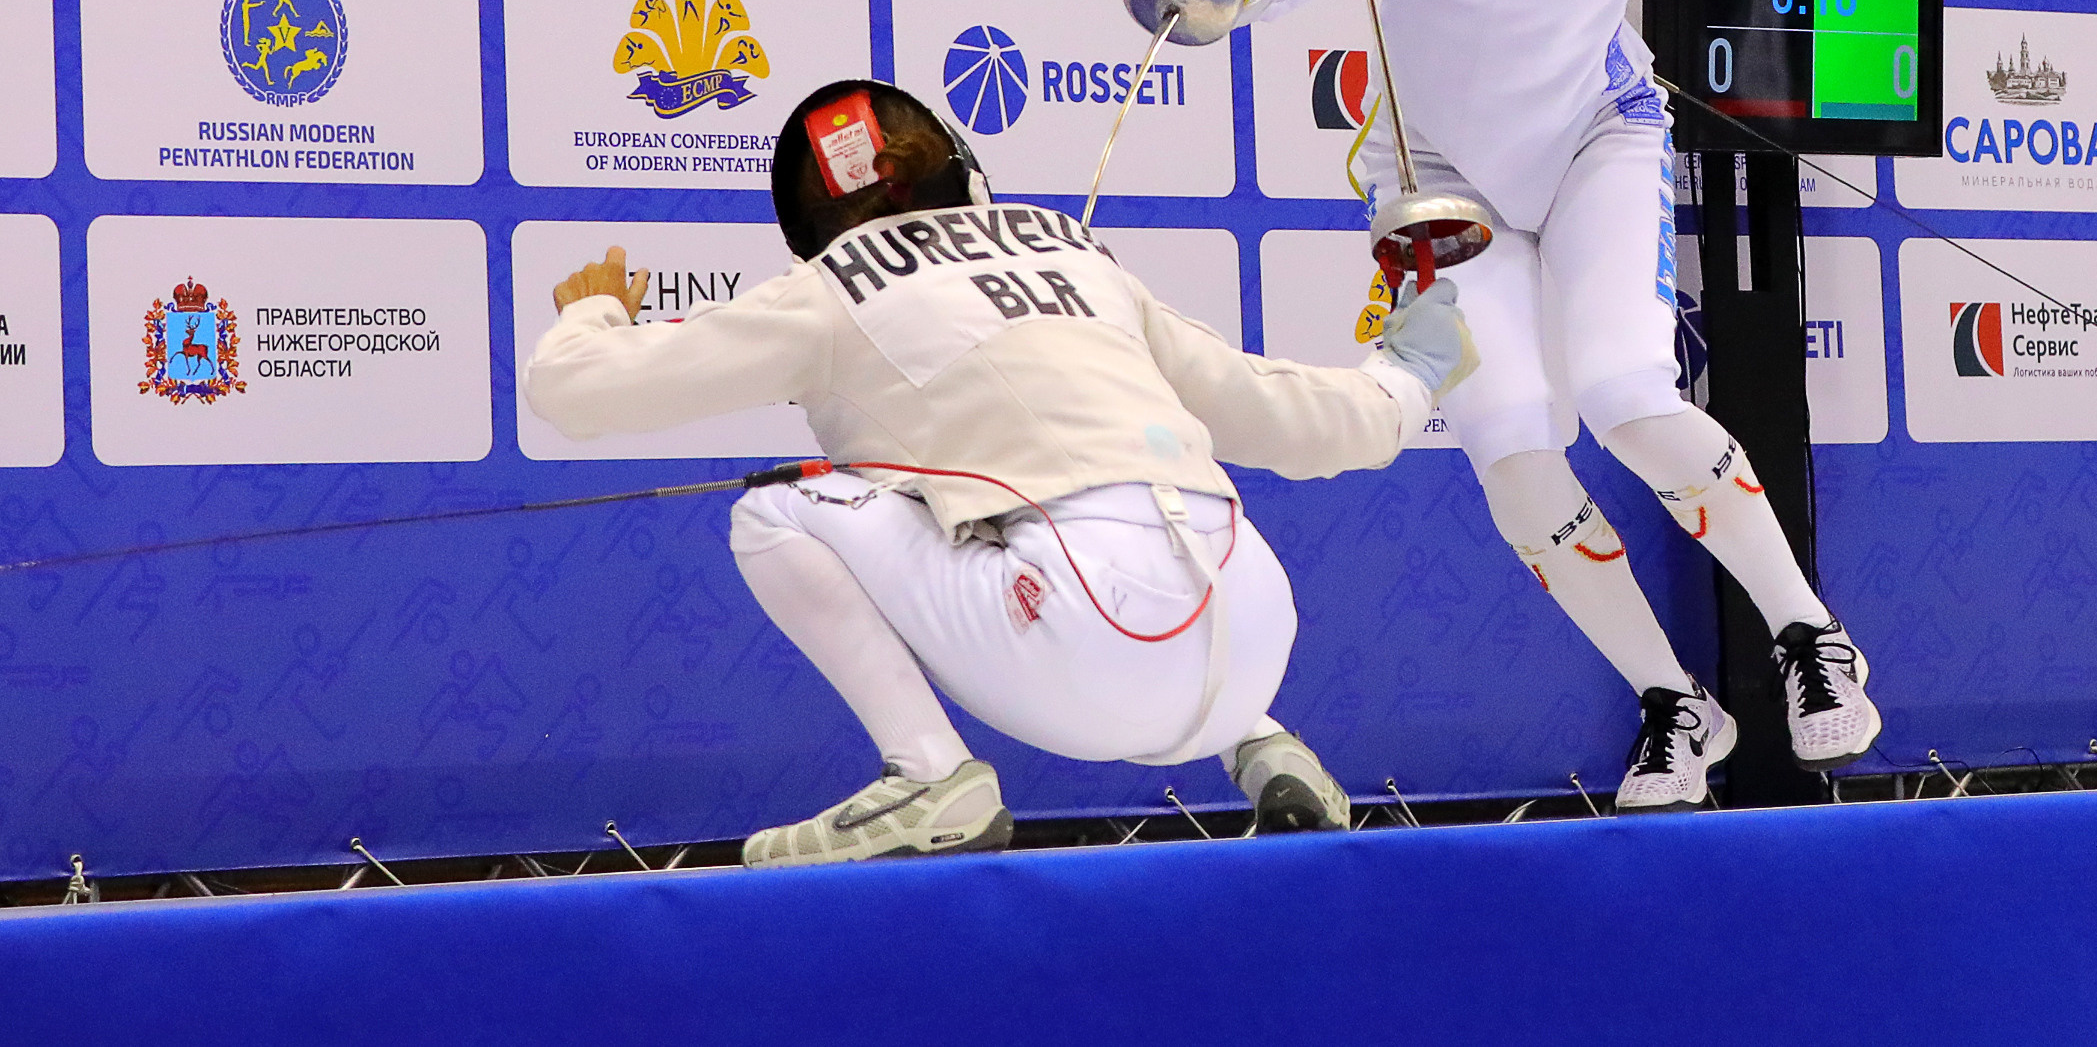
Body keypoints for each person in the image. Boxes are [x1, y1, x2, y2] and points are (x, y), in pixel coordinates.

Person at [1123, 0, 1960, 812]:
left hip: (1593, 135)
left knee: (1627, 388)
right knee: (1513, 446)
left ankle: (1806, 635)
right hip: (1445, 184)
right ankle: (1678, 703)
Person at [524, 78, 1476, 865]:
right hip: (1259, 621)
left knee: (777, 508)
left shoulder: (824, 291)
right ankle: (1261, 740)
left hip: (1085, 645)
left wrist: (594, 311)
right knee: (1095, 505)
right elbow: (1287, 416)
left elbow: (574, 392)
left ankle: (929, 775)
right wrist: (1408, 373)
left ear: (812, 225)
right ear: (963, 173)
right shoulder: (1079, 253)